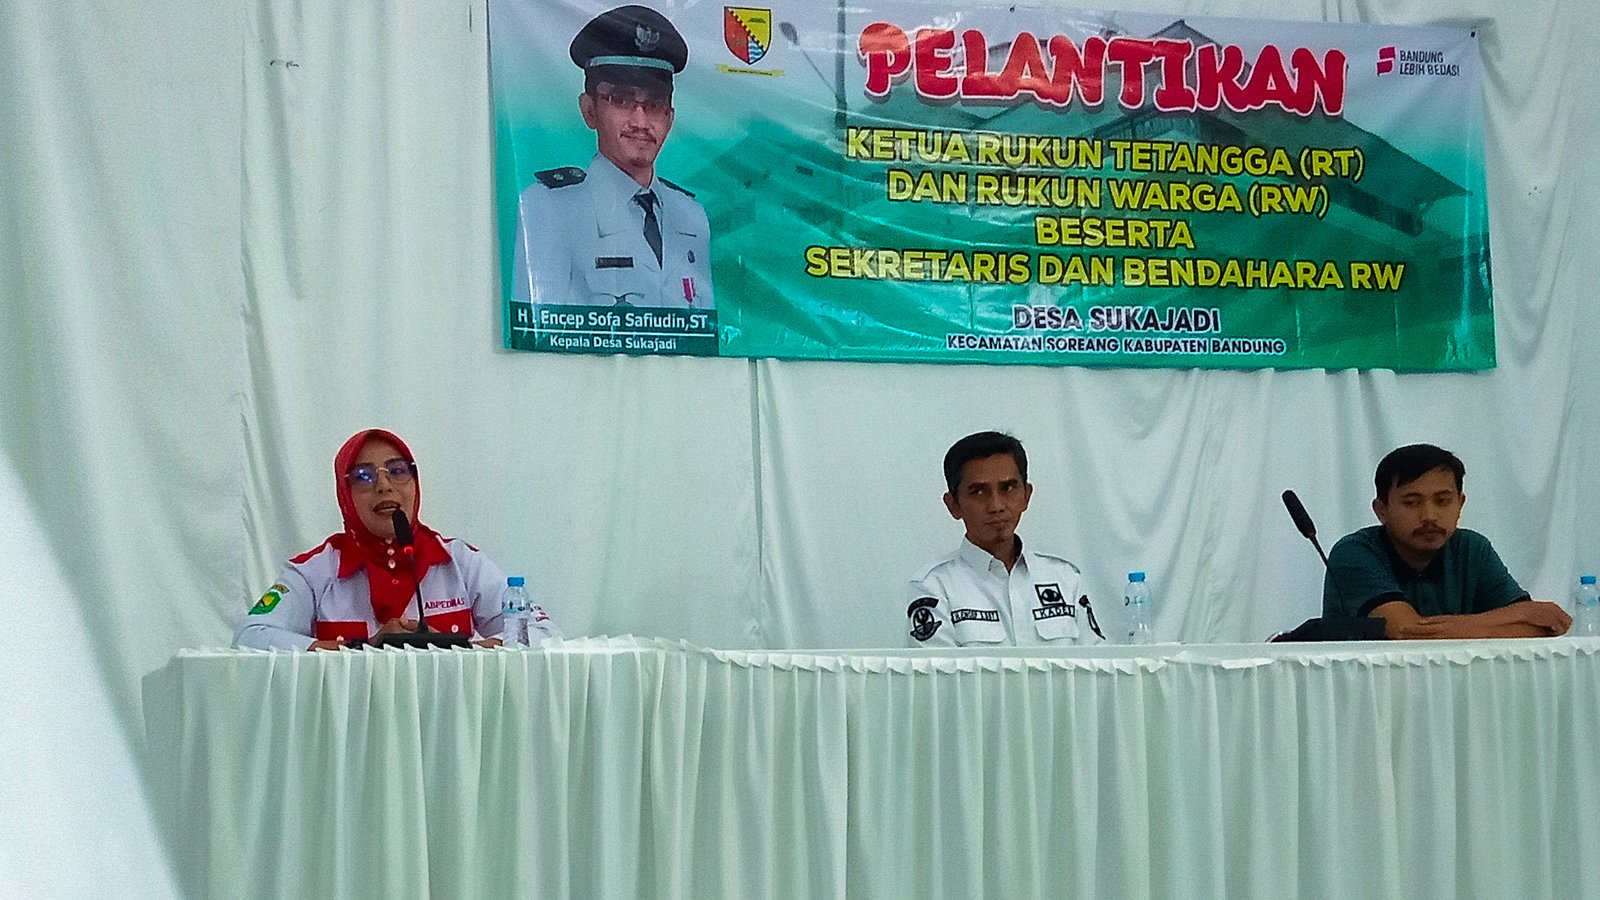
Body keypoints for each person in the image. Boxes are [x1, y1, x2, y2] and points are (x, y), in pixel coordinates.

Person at [235, 429, 559, 650]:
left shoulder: (459, 562)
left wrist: (462, 650)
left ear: (415, 483)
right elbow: (250, 637)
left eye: (398, 470)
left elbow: (544, 633)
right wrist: (362, 649)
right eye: (363, 476)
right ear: (345, 494)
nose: (384, 486)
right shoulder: (315, 571)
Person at [511, 4, 714, 309]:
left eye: (654, 105)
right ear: (590, 110)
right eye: (621, 100)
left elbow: (703, 327)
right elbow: (536, 327)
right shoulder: (549, 209)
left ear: (670, 118)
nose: (640, 121)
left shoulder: (691, 216)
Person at [1321, 443, 1570, 639]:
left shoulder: (1472, 548)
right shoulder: (1354, 552)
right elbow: (1408, 633)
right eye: (1412, 503)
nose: (1430, 516)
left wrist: (1468, 626)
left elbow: (1539, 628)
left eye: (1442, 501)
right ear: (1381, 510)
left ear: (1460, 504)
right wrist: (1520, 613)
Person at [906, 431, 1105, 647]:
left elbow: (1096, 663)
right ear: (953, 504)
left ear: (1026, 495)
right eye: (978, 492)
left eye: (1008, 488)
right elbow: (938, 669)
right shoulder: (933, 587)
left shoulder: (1065, 578)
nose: (996, 506)